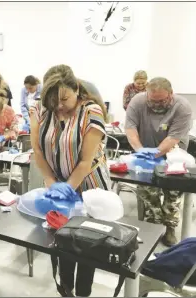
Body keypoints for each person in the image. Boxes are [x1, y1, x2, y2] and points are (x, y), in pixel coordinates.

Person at [30, 65, 111, 297]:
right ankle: (65, 288)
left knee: (86, 244)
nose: (59, 106)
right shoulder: (39, 108)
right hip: (56, 181)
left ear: (76, 89)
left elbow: (85, 161)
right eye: (53, 101)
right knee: (62, 241)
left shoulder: (91, 111)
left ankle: (83, 291)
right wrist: (50, 181)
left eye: (64, 99)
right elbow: (37, 149)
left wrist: (68, 188)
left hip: (89, 185)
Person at [125, 77, 192, 246]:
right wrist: (141, 152)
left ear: (171, 94)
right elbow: (130, 129)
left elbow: (172, 139)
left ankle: (169, 228)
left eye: (161, 101)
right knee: (148, 193)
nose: (156, 105)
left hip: (174, 155)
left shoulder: (182, 107)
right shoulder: (137, 101)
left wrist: (153, 154)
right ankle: (153, 227)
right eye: (152, 101)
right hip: (146, 153)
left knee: (173, 194)